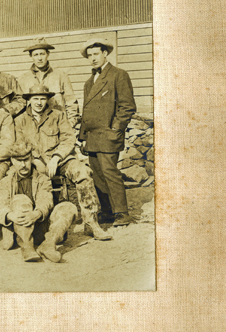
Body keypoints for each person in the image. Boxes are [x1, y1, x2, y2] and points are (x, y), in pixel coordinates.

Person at [15, 83, 111, 240]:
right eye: (35, 99)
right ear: (29, 100)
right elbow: (20, 144)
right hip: (35, 162)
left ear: (47, 100)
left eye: (42, 99)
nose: (39, 102)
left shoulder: (58, 115)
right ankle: (38, 224)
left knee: (83, 172)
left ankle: (91, 223)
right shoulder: (20, 121)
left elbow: (68, 138)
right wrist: (36, 160)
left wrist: (56, 157)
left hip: (60, 161)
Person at [79, 38, 137, 226]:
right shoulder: (90, 82)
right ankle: (107, 211)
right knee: (98, 175)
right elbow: (86, 111)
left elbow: (127, 106)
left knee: (110, 173)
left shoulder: (118, 75)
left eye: (96, 54)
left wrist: (115, 130)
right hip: (92, 137)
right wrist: (82, 137)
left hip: (108, 135)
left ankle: (122, 213)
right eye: (90, 55)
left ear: (105, 54)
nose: (93, 58)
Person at [0, 140, 79, 262]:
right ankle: (27, 247)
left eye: (26, 160)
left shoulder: (43, 179)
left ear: (31, 159)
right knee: (21, 199)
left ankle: (48, 245)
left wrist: (37, 214)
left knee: (68, 207)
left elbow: (45, 200)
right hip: (18, 228)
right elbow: (1, 204)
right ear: (13, 161)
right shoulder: (5, 182)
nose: (23, 165)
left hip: (40, 227)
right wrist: (10, 215)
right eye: (19, 161)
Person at [17, 37, 79, 124]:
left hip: (58, 125)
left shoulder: (61, 76)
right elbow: (20, 106)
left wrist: (70, 125)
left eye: (42, 54)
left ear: (48, 54)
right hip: (33, 127)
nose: (39, 58)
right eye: (36, 55)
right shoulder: (22, 79)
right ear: (31, 56)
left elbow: (71, 104)